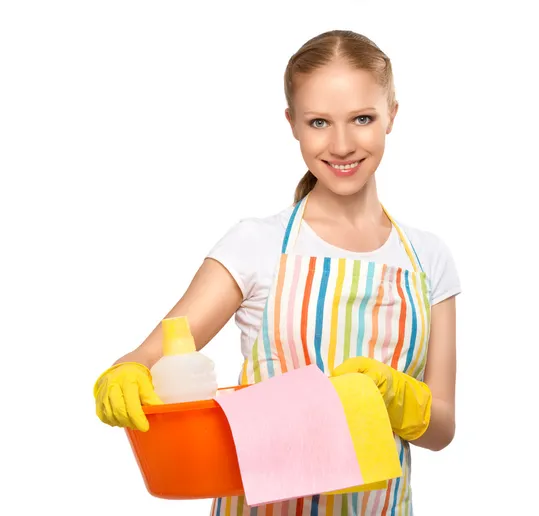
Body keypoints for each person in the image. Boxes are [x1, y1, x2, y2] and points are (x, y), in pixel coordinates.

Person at [93, 29, 461, 516]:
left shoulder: (428, 257)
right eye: (318, 122)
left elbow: (443, 428)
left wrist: (399, 398)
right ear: (292, 124)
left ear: (392, 113)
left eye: (363, 118)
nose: (343, 144)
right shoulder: (255, 244)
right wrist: (126, 373)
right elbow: (151, 354)